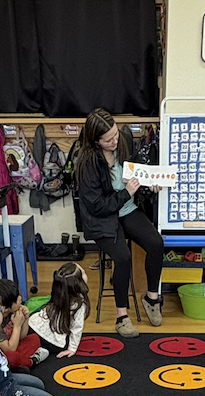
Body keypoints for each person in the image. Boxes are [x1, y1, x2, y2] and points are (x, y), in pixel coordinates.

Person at [74, 108, 164, 338]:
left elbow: (136, 171)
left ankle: (151, 298)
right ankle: (121, 317)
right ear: (95, 141)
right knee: (122, 257)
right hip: (102, 217)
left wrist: (149, 182)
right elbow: (97, 205)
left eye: (116, 134)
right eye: (109, 139)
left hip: (127, 209)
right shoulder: (87, 163)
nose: (115, 140)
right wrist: (125, 193)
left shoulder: (122, 142)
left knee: (156, 243)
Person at [27, 262, 90, 359]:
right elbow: (77, 327)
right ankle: (39, 353)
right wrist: (72, 348)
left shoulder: (59, 292)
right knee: (64, 342)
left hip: (32, 327)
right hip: (53, 341)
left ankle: (35, 350)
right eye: (84, 273)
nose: (86, 274)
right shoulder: (79, 303)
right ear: (78, 283)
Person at [0, 277, 48, 372]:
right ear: (5, 308)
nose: (20, 298)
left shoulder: (11, 312)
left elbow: (22, 337)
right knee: (11, 357)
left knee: (33, 338)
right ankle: (31, 361)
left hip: (12, 345)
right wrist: (17, 325)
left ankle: (19, 363)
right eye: (17, 298)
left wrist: (25, 319)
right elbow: (10, 349)